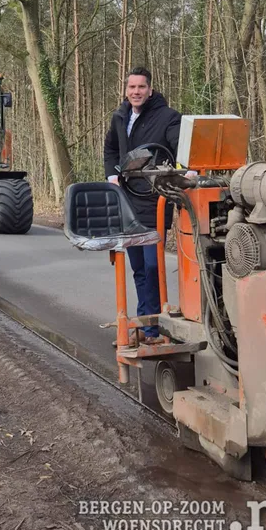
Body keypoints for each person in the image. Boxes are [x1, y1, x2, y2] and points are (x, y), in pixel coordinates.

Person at [103, 67, 181, 344]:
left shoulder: (168, 117)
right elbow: (111, 149)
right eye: (132, 87)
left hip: (154, 199)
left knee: (152, 267)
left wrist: (187, 170)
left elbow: (179, 147)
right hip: (127, 200)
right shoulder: (120, 116)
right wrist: (112, 176)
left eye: (141, 87)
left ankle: (153, 329)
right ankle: (144, 325)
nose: (136, 92)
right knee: (137, 268)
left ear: (150, 90)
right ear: (126, 90)